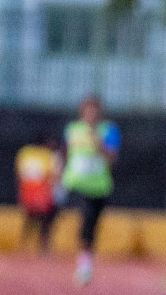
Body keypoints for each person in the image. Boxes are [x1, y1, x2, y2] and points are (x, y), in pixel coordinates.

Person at [63, 96, 119, 285]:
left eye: (94, 111)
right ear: (82, 112)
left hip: (100, 186)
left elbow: (112, 159)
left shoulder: (108, 131)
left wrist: (98, 143)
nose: (91, 115)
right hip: (77, 184)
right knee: (85, 218)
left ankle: (86, 260)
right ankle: (83, 264)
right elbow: (66, 154)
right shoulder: (73, 130)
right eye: (88, 111)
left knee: (92, 224)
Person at [16, 134, 62, 253]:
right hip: (42, 193)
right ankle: (43, 246)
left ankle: (23, 246)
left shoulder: (24, 153)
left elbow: (19, 174)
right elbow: (54, 176)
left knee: (30, 219)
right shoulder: (47, 155)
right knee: (45, 220)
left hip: (27, 192)